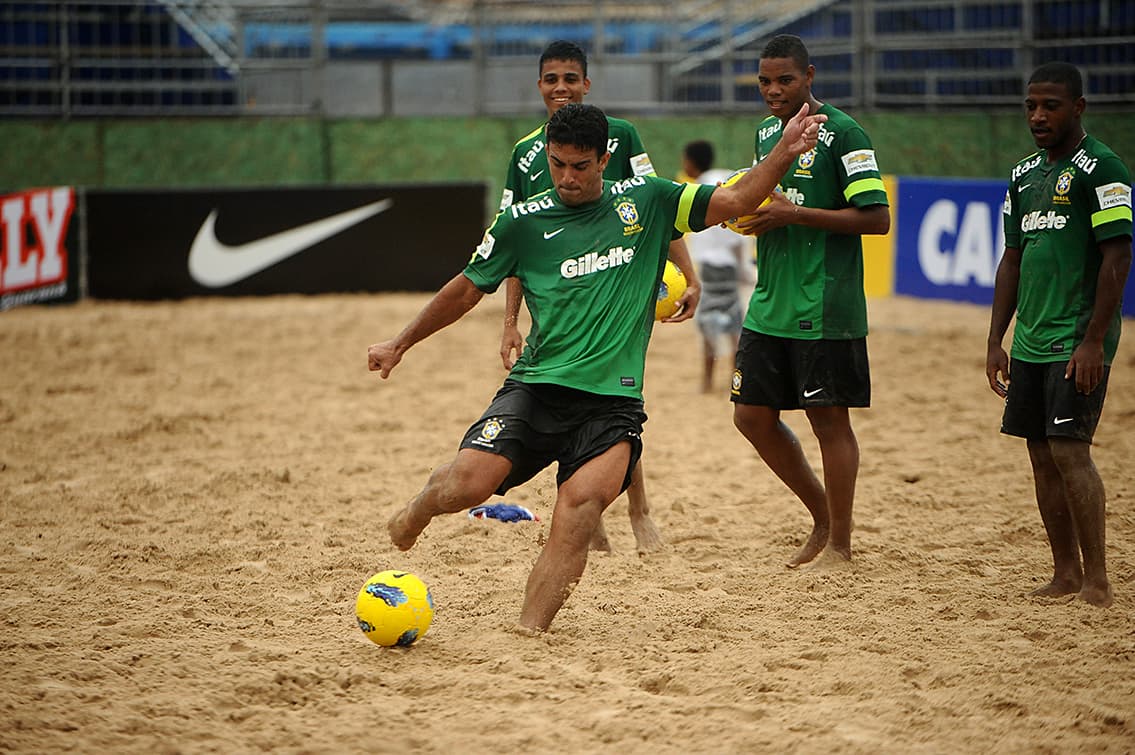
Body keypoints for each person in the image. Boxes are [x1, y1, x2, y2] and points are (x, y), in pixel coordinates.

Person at [370, 102, 826, 631]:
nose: (567, 177)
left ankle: (528, 633)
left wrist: (784, 150)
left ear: (605, 159)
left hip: (613, 403)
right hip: (536, 387)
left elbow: (738, 199)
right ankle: (419, 509)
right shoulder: (521, 221)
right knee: (466, 486)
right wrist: (401, 342)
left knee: (580, 509)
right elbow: (467, 289)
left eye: (580, 166)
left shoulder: (650, 200)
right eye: (558, 164)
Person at [496, 40, 701, 553]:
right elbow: (514, 246)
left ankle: (639, 509)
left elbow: (661, 210)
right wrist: (509, 322)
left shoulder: (621, 136)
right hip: (554, 301)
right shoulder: (525, 155)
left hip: (614, 291)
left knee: (614, 403)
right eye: (551, 79)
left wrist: (689, 275)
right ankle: (592, 517)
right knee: (559, 402)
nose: (561, 87)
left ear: (587, 83)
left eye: (570, 78)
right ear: (538, 85)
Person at [730, 34, 891, 568]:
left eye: (785, 80)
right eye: (764, 81)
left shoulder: (845, 133)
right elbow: (767, 202)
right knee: (750, 416)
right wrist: (755, 216)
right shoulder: (764, 134)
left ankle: (840, 545)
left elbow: (877, 218)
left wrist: (793, 215)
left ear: (810, 76)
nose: (773, 91)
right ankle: (822, 516)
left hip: (824, 303)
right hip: (770, 298)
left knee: (829, 422)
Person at [986, 62, 1131, 608]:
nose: (1038, 116)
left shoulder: (1105, 169)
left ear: (1078, 108)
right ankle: (1065, 573)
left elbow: (1118, 258)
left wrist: (1094, 340)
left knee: (1072, 454)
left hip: (1075, 342)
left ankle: (1097, 579)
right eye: (1031, 106)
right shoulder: (1023, 174)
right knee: (1040, 457)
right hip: (1028, 343)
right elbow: (1012, 261)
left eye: (1050, 105)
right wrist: (996, 340)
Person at [680, 140, 755, 393]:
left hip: (712, 268)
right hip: (729, 266)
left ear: (691, 162)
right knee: (733, 323)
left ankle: (707, 382)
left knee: (709, 324)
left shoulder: (701, 187)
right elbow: (735, 232)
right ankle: (736, 380)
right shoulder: (724, 179)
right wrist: (743, 265)